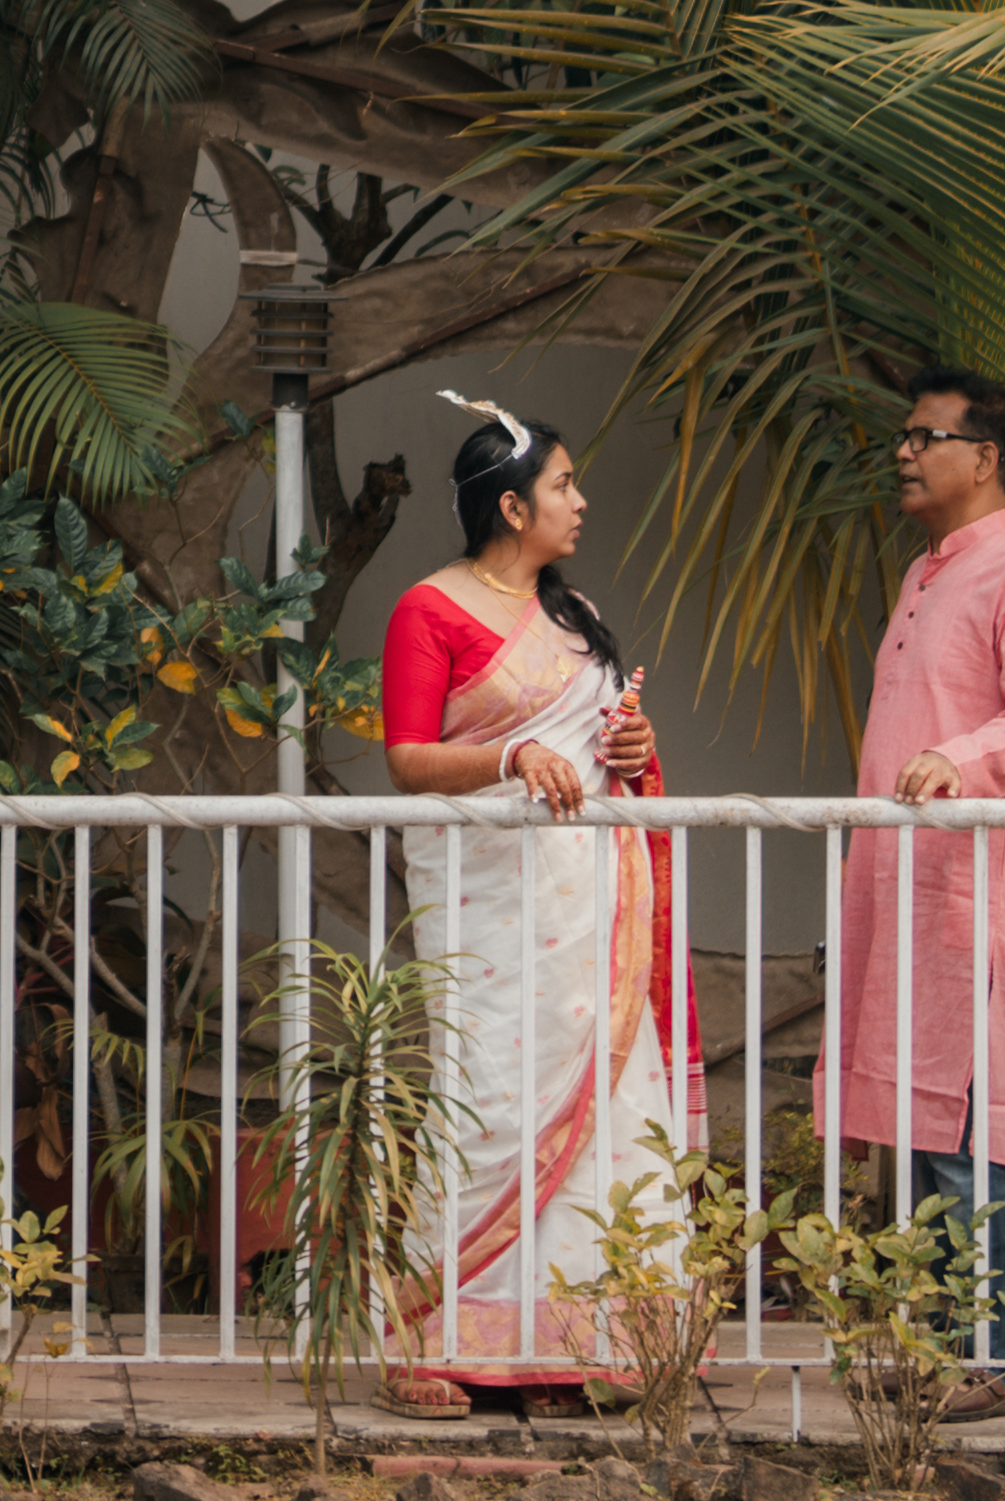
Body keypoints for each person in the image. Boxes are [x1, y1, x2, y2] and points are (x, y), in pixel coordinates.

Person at [373, 399, 693, 1412]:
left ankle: (572, 1348)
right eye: (563, 485)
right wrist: (512, 753)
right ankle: (432, 1342)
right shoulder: (429, 609)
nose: (580, 500)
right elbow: (410, 759)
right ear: (511, 506)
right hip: (494, 909)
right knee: (492, 1102)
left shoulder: (574, 615)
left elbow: (603, 748)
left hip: (589, 904)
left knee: (602, 1111)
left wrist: (630, 755)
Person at [820, 364, 1005, 1422]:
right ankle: (938, 1352)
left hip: (975, 892)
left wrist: (956, 760)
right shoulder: (928, 572)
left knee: (963, 1133)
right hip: (910, 890)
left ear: (986, 457)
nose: (905, 452)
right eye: (904, 436)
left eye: (927, 436)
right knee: (924, 1130)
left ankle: (995, 1362)